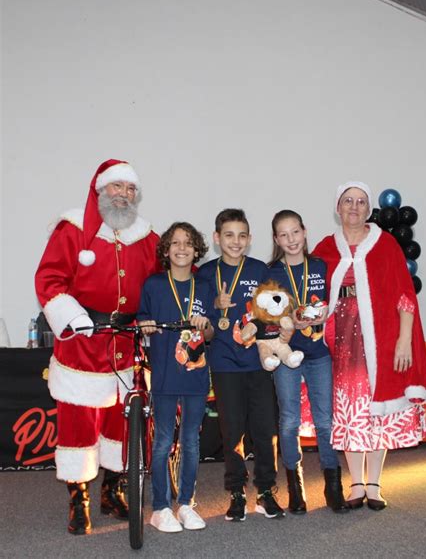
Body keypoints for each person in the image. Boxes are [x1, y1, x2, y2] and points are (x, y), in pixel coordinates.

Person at [35, 159, 160, 535]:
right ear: (100, 190)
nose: (123, 195)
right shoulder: (72, 229)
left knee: (120, 423)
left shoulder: (147, 237)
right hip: (82, 342)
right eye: (116, 187)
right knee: (77, 423)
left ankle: (112, 490)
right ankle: (79, 498)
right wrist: (74, 318)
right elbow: (50, 279)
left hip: (127, 343)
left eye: (130, 189)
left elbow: (165, 279)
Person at [312, 181, 426, 510]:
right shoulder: (325, 247)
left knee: (377, 407)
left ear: (369, 210)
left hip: (380, 338)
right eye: (348, 201)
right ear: (338, 208)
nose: (354, 207)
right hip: (339, 339)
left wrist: (403, 340)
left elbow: (404, 295)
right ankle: (355, 483)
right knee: (349, 408)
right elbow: (310, 293)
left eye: (361, 202)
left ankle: (375, 483)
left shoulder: (386, 245)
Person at [197, 208, 285, 521]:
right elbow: (201, 320)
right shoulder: (206, 274)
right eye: (229, 235)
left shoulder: (260, 270)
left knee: (264, 429)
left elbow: (272, 313)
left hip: (258, 361)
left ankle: (265, 491)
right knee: (231, 431)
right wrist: (213, 305)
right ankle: (236, 491)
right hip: (224, 362)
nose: (236, 241)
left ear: (249, 239)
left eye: (242, 235)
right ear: (217, 238)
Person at [268, 210, 349, 514]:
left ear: (304, 231)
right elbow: (267, 315)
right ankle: (295, 486)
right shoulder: (271, 271)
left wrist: (323, 312)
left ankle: (333, 486)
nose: (291, 240)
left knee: (324, 420)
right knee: (289, 421)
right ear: (276, 239)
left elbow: (332, 301)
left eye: (295, 232)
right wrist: (289, 321)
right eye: (283, 235)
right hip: (287, 353)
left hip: (318, 354)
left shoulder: (320, 265)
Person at [138, 222, 214, 533]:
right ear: (166, 251)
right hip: (166, 376)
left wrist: (204, 324)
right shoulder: (154, 285)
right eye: (175, 243)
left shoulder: (204, 286)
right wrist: (146, 325)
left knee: (191, 442)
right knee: (163, 442)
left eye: (188, 243)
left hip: (195, 376)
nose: (182, 248)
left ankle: (185, 503)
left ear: (197, 250)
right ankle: (160, 507)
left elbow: (209, 335)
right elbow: (142, 320)